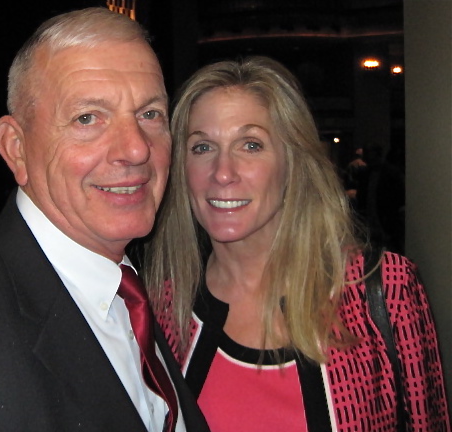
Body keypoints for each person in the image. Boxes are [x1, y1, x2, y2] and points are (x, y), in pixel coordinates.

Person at [0, 8, 209, 432]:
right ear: (16, 149)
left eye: (149, 114)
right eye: (88, 118)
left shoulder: (126, 283)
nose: (137, 149)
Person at [142, 56, 450, 431]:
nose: (223, 172)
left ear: (293, 162)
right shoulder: (160, 310)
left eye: (251, 145)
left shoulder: (384, 291)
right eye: (202, 147)